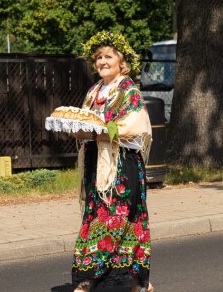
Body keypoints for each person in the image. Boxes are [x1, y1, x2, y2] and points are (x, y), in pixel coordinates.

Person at [70, 31, 154, 292]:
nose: (102, 61)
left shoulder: (128, 90)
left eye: (108, 56)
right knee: (96, 217)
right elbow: (86, 122)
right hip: (97, 164)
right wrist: (79, 130)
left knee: (115, 220)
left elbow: (135, 127)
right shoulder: (94, 91)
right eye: (98, 57)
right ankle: (138, 282)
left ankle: (89, 281)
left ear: (121, 62)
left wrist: (102, 131)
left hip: (122, 166)